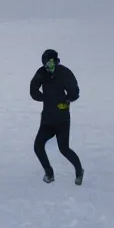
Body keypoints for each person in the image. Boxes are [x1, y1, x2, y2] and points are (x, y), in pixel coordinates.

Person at [30, 48, 84, 185]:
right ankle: (49, 173)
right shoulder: (41, 73)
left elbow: (75, 91)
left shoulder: (64, 72)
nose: (49, 66)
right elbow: (33, 89)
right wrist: (43, 97)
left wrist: (67, 99)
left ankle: (79, 171)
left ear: (56, 61)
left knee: (64, 149)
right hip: (47, 119)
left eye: (51, 62)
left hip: (62, 119)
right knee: (38, 146)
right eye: (46, 63)